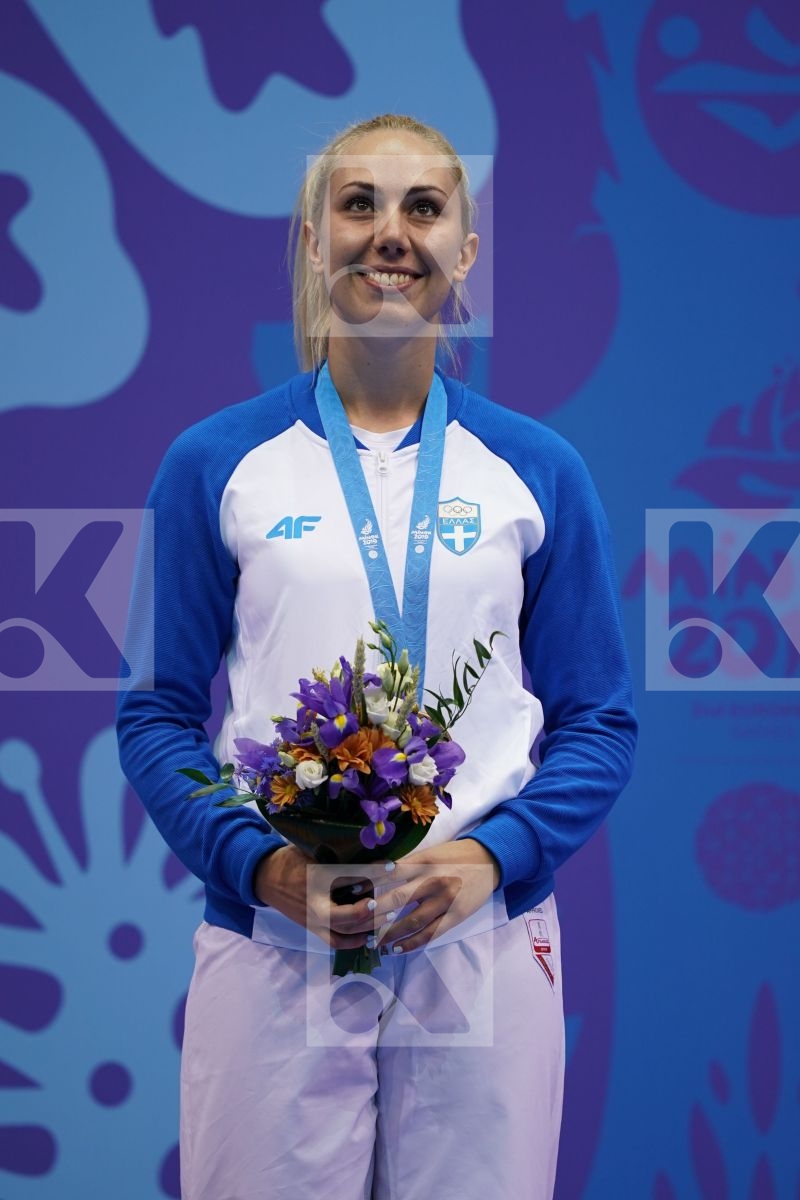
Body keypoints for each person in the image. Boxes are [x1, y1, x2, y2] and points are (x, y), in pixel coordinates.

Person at [116, 112, 637, 1200]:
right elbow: (157, 714)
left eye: (422, 208)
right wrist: (260, 867)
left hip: (478, 940)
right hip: (273, 935)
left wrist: (491, 857)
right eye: (357, 205)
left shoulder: (535, 471)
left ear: (466, 250)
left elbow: (597, 720)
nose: (389, 234)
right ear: (311, 240)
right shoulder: (217, 463)